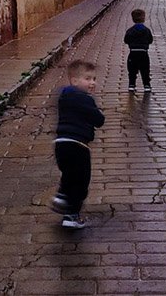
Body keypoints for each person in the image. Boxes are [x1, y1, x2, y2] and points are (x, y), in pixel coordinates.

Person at [50, 59, 105, 229]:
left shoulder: (64, 96)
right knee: (81, 181)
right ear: (74, 80)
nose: (92, 83)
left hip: (61, 144)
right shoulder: (85, 99)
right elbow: (99, 120)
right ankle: (72, 215)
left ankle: (61, 196)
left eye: (94, 79)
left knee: (69, 175)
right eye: (87, 79)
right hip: (79, 146)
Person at [123, 8, 154, 92]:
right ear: (144, 18)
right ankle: (146, 85)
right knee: (145, 70)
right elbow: (150, 40)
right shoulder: (147, 30)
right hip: (143, 53)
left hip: (133, 53)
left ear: (133, 19)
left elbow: (126, 40)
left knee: (132, 70)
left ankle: (131, 85)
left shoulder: (130, 31)